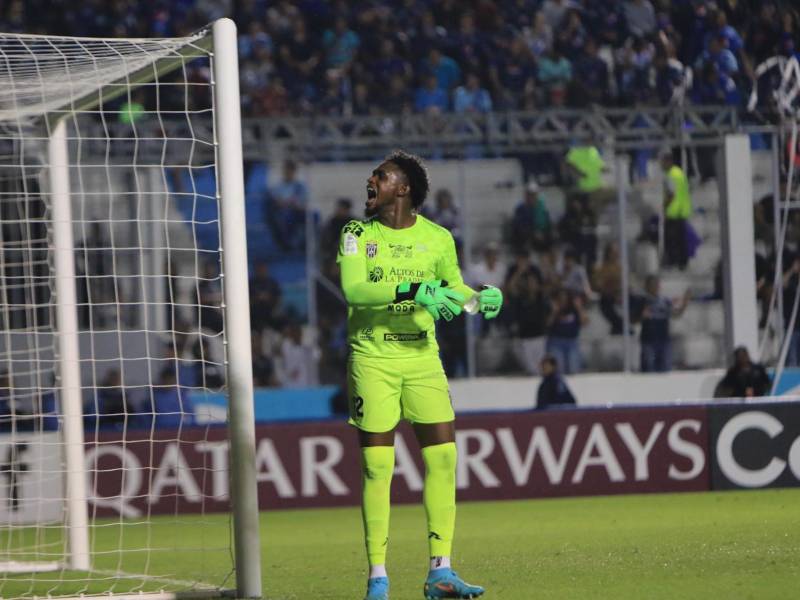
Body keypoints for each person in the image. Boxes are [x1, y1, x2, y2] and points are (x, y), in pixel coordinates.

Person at [338, 151, 500, 600]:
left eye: (382, 176)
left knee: (444, 458)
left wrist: (480, 298)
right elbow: (354, 289)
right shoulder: (356, 233)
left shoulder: (439, 238)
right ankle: (377, 578)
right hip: (373, 359)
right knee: (377, 467)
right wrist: (414, 288)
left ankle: (441, 572)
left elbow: (453, 289)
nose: (371, 180)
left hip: (422, 359)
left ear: (403, 188)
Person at [638, 275, 690, 372]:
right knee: (649, 371)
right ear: (647, 286)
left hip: (664, 340)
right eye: (653, 284)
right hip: (648, 341)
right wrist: (641, 316)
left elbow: (676, 315)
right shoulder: (641, 301)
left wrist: (684, 304)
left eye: (657, 284)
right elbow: (634, 319)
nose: (656, 287)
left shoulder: (665, 301)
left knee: (665, 371)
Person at [661, 151, 692, 270]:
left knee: (672, 239)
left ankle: (673, 261)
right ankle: (683, 262)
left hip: (674, 212)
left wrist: (665, 206)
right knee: (681, 239)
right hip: (682, 211)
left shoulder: (671, 175)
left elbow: (671, 194)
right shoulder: (679, 173)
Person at [545, 288, 587, 374]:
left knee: (574, 368)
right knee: (559, 370)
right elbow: (547, 324)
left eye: (565, 297)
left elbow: (584, 323)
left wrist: (579, 308)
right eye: (560, 298)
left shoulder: (574, 309)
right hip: (556, 342)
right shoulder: (553, 309)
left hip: (572, 342)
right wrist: (554, 312)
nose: (563, 300)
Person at [511, 180, 554, 252]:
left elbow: (547, 223)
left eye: (534, 194)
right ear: (526, 195)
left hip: (542, 235)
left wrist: (543, 233)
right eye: (530, 194)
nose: (532, 197)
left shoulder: (542, 207)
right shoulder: (521, 209)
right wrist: (534, 233)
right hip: (528, 236)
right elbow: (520, 226)